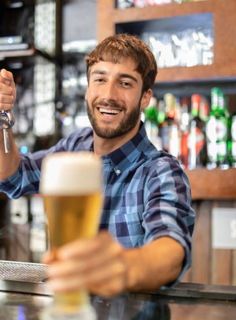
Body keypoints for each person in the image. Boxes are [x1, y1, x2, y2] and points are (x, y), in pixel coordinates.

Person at [0, 34, 195, 297]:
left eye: (125, 83)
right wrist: (2, 118)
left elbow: (171, 251)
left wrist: (123, 268)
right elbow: (12, 176)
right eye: (100, 79)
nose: (108, 95)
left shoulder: (160, 171)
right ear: (88, 87)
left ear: (145, 97)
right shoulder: (75, 146)